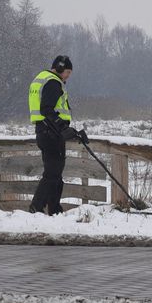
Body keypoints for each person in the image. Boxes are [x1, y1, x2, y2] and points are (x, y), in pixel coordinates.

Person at [28, 55, 88, 215]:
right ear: (60, 68)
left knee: (55, 173)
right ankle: (36, 208)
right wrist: (62, 127)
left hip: (44, 131)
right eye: (67, 72)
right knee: (52, 173)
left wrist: (71, 132)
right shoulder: (53, 82)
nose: (68, 76)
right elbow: (47, 109)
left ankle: (54, 209)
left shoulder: (40, 78)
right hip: (51, 133)